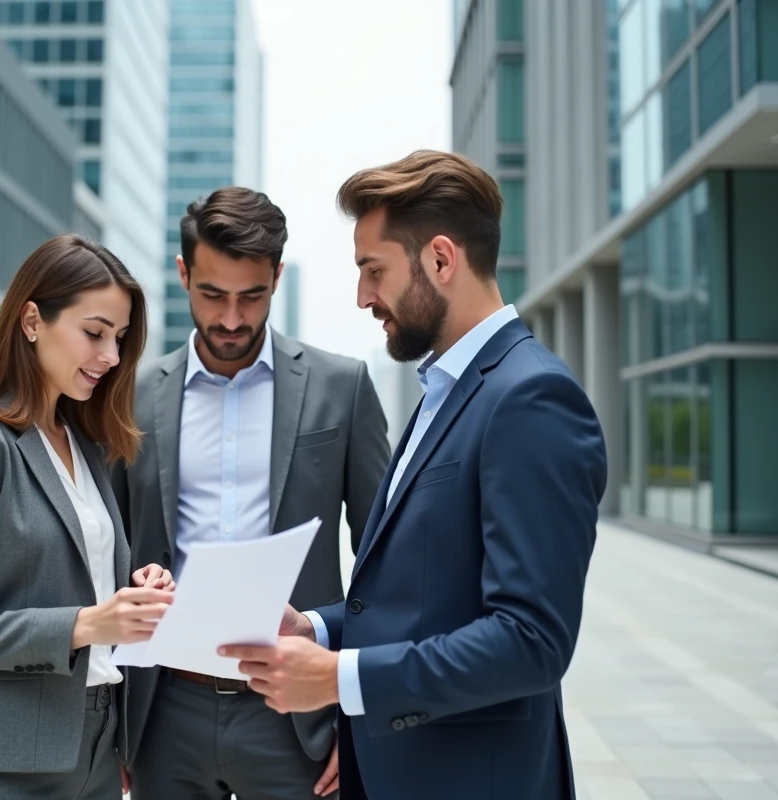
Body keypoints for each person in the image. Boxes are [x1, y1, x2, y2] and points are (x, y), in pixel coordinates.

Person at [220, 151, 608, 800]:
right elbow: (428, 600)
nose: (363, 296)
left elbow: (531, 639)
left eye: (374, 270)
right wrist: (313, 629)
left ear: (440, 260)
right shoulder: (442, 392)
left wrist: (341, 679)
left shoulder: (530, 398)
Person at [112, 187, 392, 800]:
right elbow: (102, 557)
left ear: (276, 277)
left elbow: (387, 565)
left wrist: (362, 715)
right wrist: (113, 726)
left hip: (299, 716)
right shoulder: (128, 396)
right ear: (183, 273)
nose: (232, 319)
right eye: (212, 295)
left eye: (252, 296)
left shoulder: (341, 387)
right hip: (163, 713)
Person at [0, 234, 176, 800]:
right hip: (5, 764)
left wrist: (132, 590)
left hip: (99, 746)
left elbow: (73, 574)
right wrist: (85, 624)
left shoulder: (85, 444)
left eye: (121, 339)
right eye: (95, 332)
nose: (111, 356)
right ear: (32, 320)